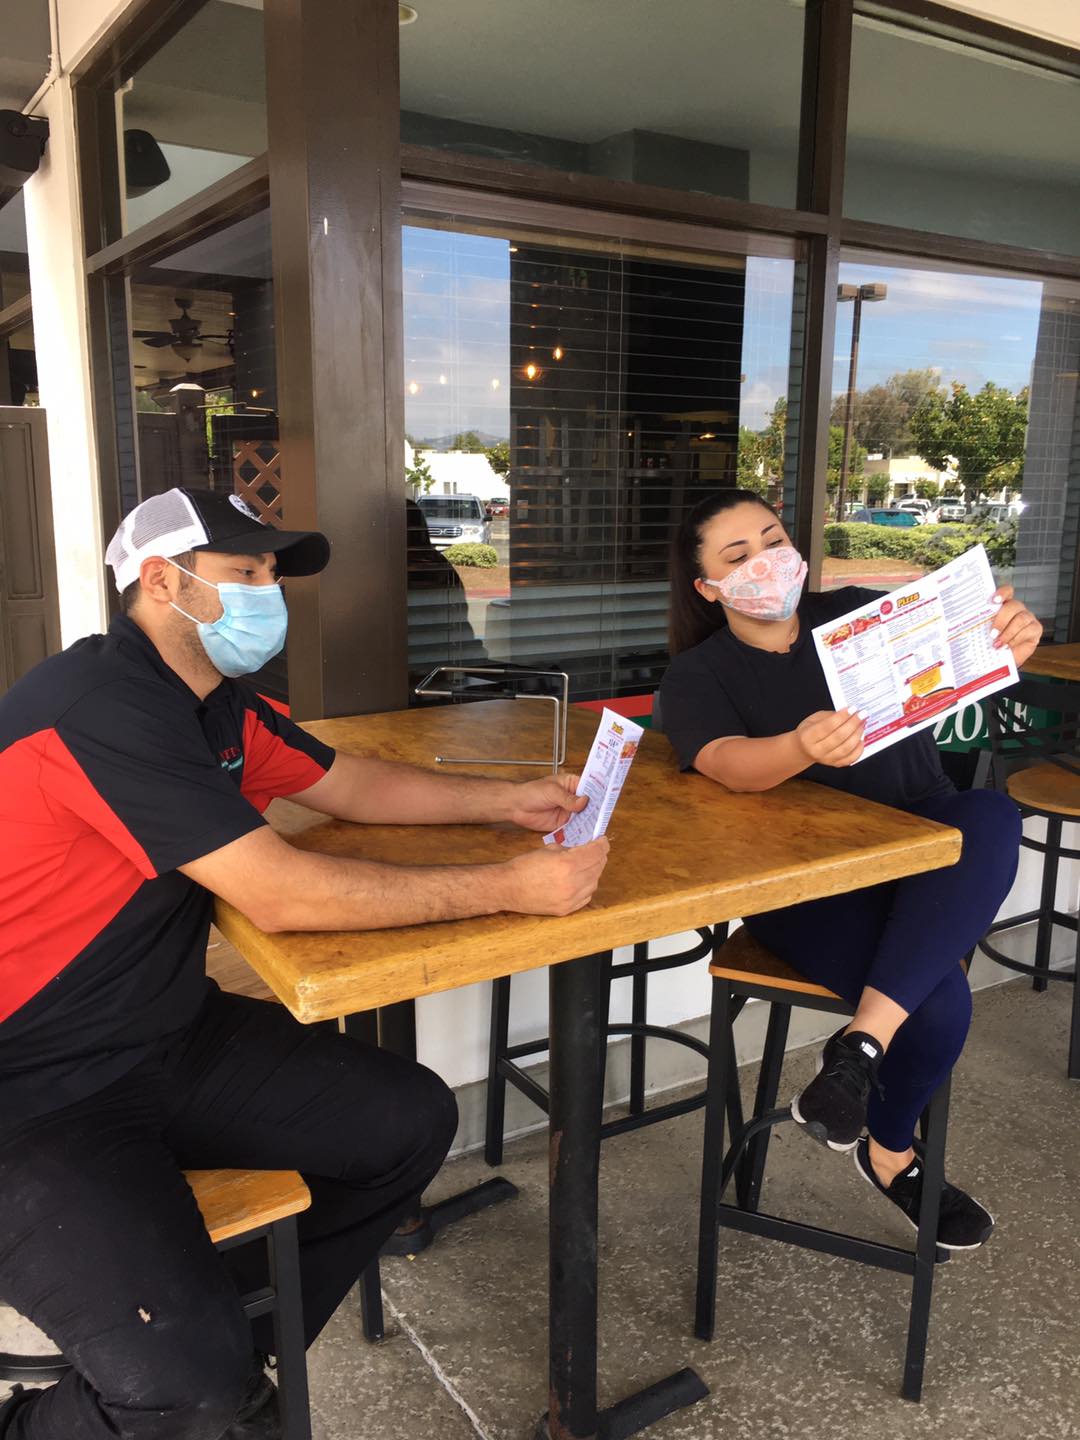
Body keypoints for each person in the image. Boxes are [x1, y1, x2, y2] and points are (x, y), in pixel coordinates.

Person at [0, 486, 608, 1440]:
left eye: (273, 573)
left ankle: (228, 1360)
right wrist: (508, 887)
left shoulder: (213, 704)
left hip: (165, 1034)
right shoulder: (97, 707)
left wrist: (505, 802)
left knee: (408, 1123)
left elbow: (345, 782)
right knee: (183, 1392)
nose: (269, 592)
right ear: (162, 581)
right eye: (245, 571)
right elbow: (280, 892)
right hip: (30, 1087)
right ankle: (163, 1395)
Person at [660, 490, 1041, 1251]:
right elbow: (726, 763)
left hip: (921, 851)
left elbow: (954, 652)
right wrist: (799, 748)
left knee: (994, 814)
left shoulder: (859, 615)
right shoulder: (699, 676)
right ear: (707, 587)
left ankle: (858, 1050)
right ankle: (891, 1155)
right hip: (809, 885)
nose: (767, 561)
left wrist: (1002, 637)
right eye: (738, 556)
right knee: (939, 1005)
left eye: (773, 539)